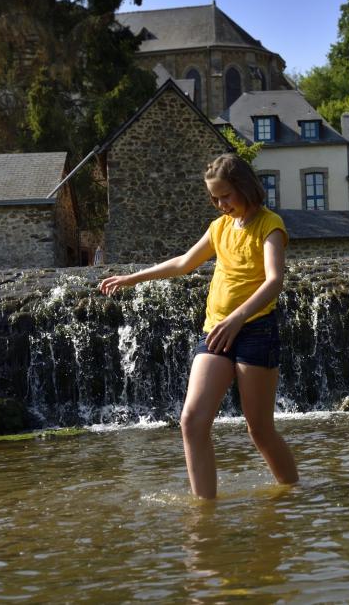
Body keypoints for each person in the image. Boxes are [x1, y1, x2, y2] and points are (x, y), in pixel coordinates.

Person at [99, 154, 298, 499]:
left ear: (245, 187)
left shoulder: (270, 225)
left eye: (225, 196)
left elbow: (274, 280)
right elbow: (183, 263)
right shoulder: (219, 228)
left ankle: (293, 493)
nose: (220, 204)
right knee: (191, 421)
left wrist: (238, 318)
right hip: (216, 331)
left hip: (255, 331)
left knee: (259, 429)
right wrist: (132, 278)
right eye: (214, 198)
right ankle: (204, 509)